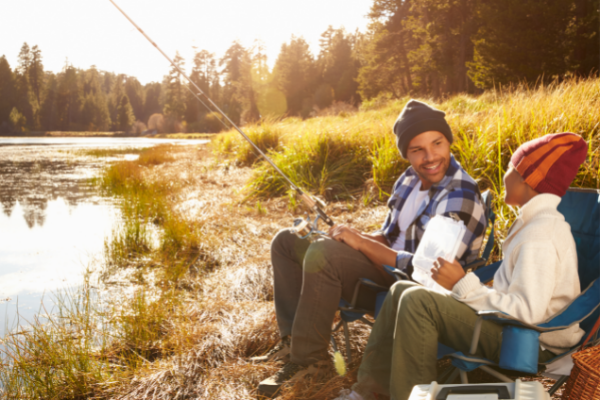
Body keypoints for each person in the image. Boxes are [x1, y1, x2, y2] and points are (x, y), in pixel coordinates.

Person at [255, 100, 488, 397]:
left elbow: (427, 272)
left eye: (437, 143)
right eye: (417, 149)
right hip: (384, 268)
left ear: (448, 141)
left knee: (322, 255)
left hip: (412, 288)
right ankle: (292, 343)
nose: (430, 157)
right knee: (287, 241)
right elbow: (391, 236)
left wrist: (361, 244)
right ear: (406, 153)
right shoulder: (408, 180)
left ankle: (310, 363)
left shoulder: (460, 193)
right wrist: (353, 235)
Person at [334, 132, 588, 400]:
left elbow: (527, 312)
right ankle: (369, 391)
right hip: (510, 325)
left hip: (531, 339)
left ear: (529, 179)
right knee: (402, 290)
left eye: (513, 168)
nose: (506, 174)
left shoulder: (540, 235)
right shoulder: (532, 223)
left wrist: (462, 284)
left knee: (418, 302)